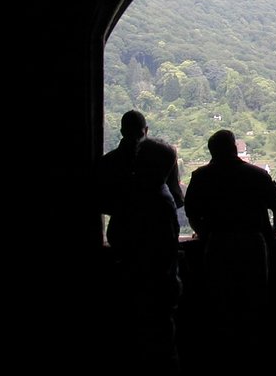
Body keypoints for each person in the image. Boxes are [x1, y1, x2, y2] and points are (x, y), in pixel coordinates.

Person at [183, 128, 276, 364]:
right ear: (234, 148)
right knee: (255, 300)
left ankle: (224, 357)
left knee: (221, 301)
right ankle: (254, 355)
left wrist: (204, 233)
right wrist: (271, 234)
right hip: (253, 243)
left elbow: (191, 212)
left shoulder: (201, 177)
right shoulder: (257, 175)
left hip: (218, 244)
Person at [97, 109, 184, 375]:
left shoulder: (109, 163)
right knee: (162, 321)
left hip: (125, 251)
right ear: (145, 130)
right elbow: (178, 200)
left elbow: (102, 202)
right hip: (160, 257)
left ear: (122, 130)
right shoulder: (161, 167)